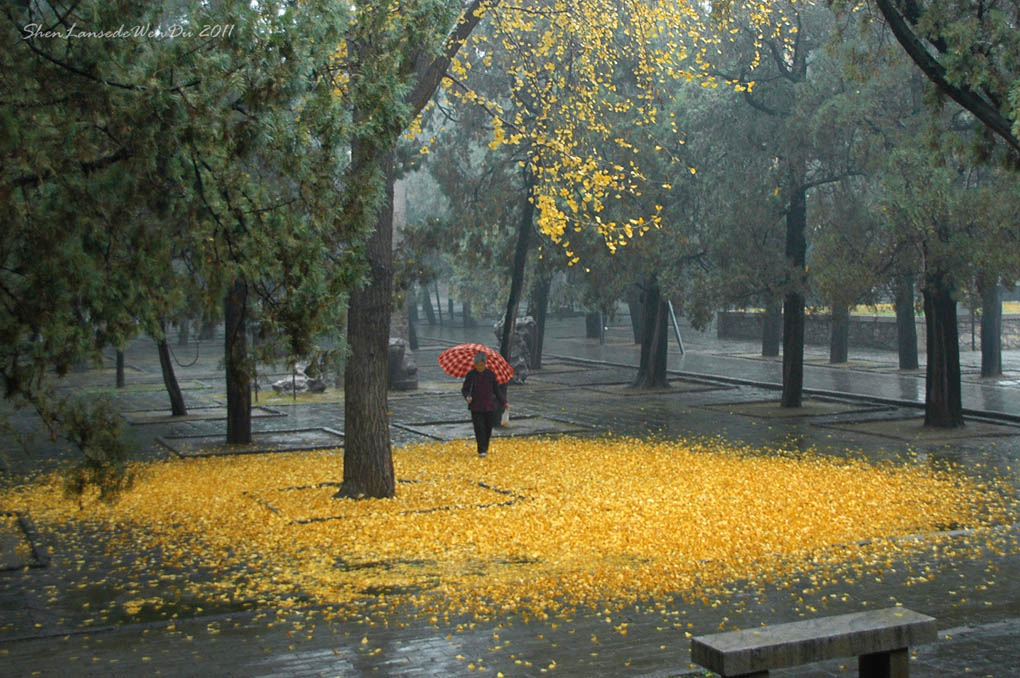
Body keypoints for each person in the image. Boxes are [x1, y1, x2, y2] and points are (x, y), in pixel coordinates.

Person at [462, 352, 508, 457]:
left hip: (489, 406)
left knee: (488, 428)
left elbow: (496, 391)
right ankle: (481, 449)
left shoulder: (490, 375)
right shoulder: (471, 375)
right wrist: (467, 396)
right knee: (479, 428)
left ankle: (485, 447)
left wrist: (504, 402)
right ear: (475, 365)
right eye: (478, 365)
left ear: (485, 364)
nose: (480, 367)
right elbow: (465, 389)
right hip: (476, 406)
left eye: (482, 365)